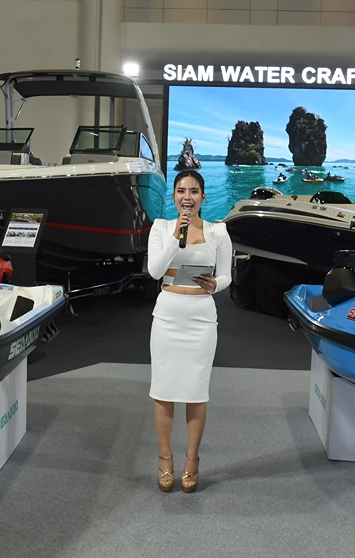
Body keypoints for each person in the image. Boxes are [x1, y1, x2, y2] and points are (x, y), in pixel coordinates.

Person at [146, 170, 232, 494]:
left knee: (196, 392)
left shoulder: (218, 232)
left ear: (203, 197)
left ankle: (192, 460)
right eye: (181, 191)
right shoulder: (161, 228)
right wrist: (175, 236)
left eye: (194, 191)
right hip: (167, 316)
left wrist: (215, 284)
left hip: (201, 318)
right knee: (164, 389)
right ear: (173, 197)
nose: (187, 197)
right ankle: (165, 458)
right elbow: (155, 271)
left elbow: (226, 276)